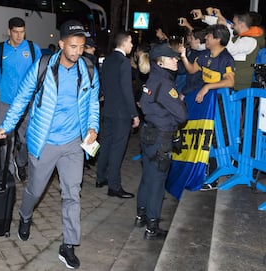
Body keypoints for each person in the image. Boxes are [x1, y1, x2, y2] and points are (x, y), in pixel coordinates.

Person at [0, 20, 100, 269]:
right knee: (35, 189)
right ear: (61, 44)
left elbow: (93, 102)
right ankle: (25, 215)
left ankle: (69, 245)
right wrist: (7, 126)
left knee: (72, 194)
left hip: (74, 144)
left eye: (82, 47)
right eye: (73, 46)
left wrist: (93, 127)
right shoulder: (42, 66)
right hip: (44, 142)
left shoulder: (88, 69)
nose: (77, 52)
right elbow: (21, 98)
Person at [0, 17, 42, 182]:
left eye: (22, 32)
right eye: (16, 32)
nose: (19, 35)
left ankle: (21, 162)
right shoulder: (0, 50)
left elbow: (41, 75)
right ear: (9, 32)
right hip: (5, 103)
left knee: (26, 138)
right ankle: (9, 174)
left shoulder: (32, 49)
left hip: (27, 103)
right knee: (6, 138)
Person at [135, 43, 188, 240]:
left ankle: (141, 215)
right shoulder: (165, 83)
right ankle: (152, 227)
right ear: (161, 62)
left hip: (149, 134)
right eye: (172, 58)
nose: (176, 60)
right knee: (157, 181)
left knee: (147, 177)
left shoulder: (153, 79)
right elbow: (182, 115)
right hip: (160, 138)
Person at [179, 24, 235, 190]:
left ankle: (214, 177)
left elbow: (230, 81)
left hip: (220, 105)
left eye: (209, 36)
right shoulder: (204, 55)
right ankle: (202, 172)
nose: (206, 38)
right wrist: (183, 56)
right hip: (205, 104)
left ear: (218, 39)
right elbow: (191, 70)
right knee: (205, 137)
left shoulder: (226, 58)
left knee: (218, 138)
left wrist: (207, 87)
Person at [96, 31, 140, 198]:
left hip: (108, 110)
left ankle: (101, 177)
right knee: (117, 149)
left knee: (106, 143)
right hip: (121, 113)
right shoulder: (124, 62)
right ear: (124, 43)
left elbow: (104, 84)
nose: (132, 46)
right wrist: (134, 114)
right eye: (130, 43)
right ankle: (114, 186)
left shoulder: (107, 60)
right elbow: (127, 91)